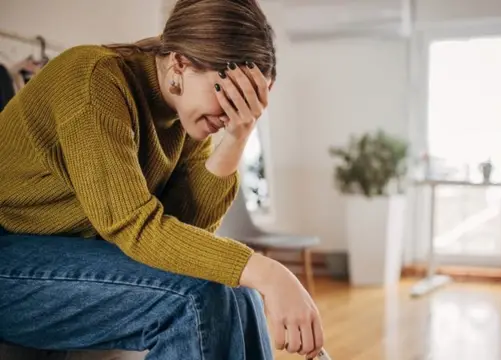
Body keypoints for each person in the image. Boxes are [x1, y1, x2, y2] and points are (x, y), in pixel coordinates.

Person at [0, 0, 324, 359]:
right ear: (180, 62)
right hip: (8, 249)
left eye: (247, 104)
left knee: (238, 292)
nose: (231, 115)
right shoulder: (92, 80)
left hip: (68, 251)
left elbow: (186, 233)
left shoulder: (185, 118)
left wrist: (235, 139)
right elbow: (135, 228)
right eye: (227, 96)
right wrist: (269, 272)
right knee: (195, 299)